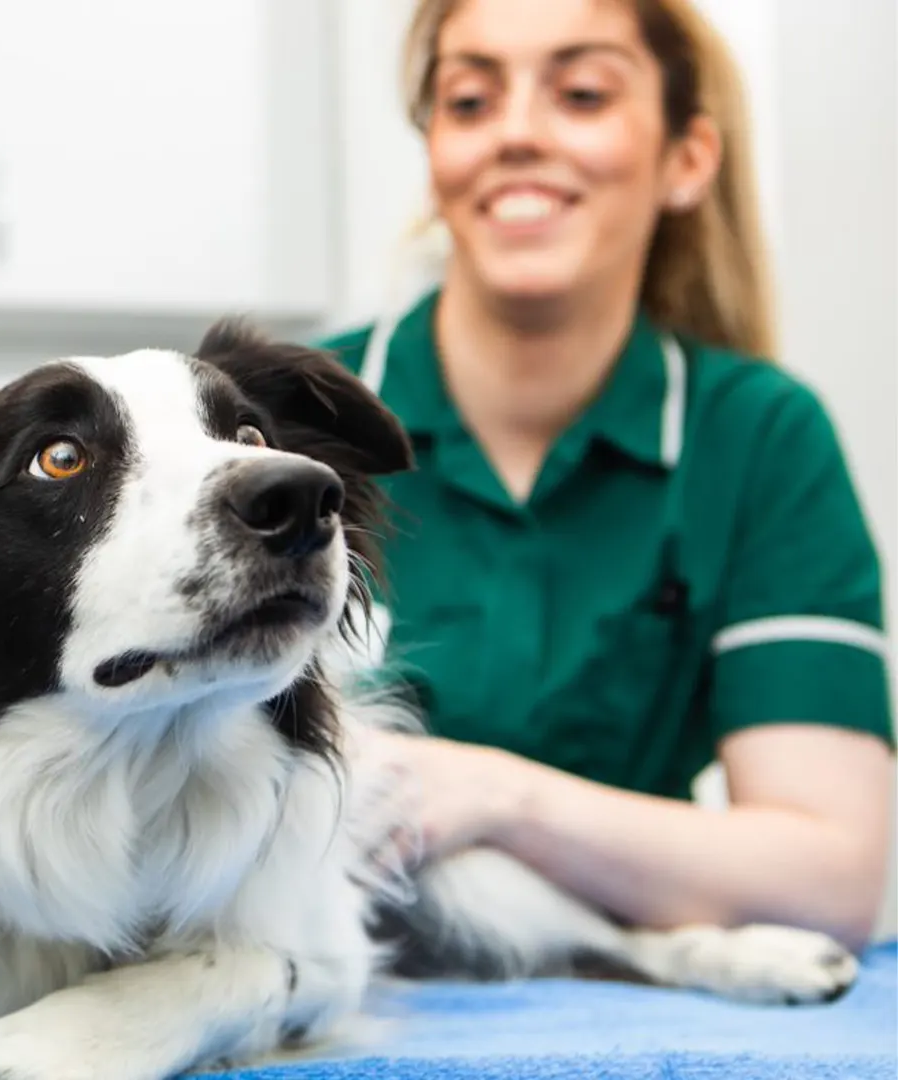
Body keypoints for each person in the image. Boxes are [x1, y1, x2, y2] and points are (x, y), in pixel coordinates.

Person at [321, 0, 895, 953]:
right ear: (435, 153)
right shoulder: (292, 424)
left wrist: (496, 796)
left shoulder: (759, 439)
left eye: (581, 94)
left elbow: (831, 881)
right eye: (470, 101)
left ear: (687, 160)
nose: (515, 134)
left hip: (631, 992)